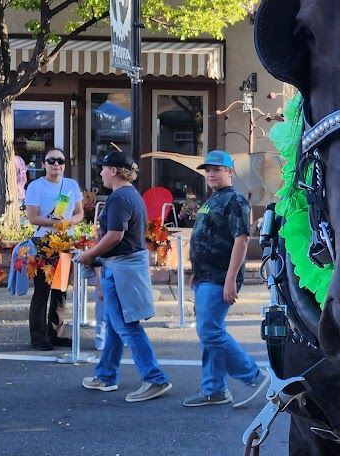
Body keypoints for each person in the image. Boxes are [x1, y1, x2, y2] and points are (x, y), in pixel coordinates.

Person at [76, 151, 171, 402]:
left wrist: (89, 255)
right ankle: (106, 375)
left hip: (121, 268)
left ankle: (155, 378)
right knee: (116, 326)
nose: (101, 173)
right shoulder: (130, 195)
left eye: (104, 168)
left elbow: (115, 235)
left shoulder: (119, 198)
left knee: (126, 327)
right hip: (122, 266)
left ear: (115, 171)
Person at [183, 150, 268, 408]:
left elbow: (241, 240)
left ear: (230, 172)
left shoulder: (234, 200)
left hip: (219, 277)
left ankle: (253, 375)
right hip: (205, 275)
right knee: (212, 332)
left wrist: (231, 279)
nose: (210, 174)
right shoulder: (212, 200)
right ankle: (214, 389)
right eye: (208, 170)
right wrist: (196, 272)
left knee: (209, 332)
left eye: (217, 169)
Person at [24, 150, 84, 350]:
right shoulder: (35, 186)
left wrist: (68, 223)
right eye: (51, 161)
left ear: (64, 165)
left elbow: (79, 213)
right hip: (44, 244)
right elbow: (32, 218)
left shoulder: (71, 185)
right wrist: (54, 223)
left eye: (60, 160)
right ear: (44, 164)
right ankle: (38, 337)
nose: (56, 164)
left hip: (65, 242)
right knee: (42, 291)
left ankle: (56, 334)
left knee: (60, 290)